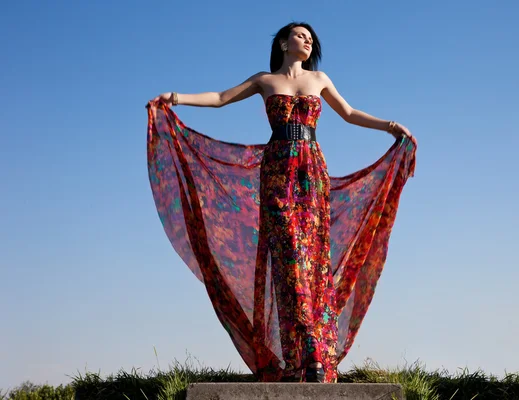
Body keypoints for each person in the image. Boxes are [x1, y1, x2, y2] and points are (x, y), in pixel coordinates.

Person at [146, 22, 417, 383]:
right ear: (283, 42)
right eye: (301, 36)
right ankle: (299, 357)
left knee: (313, 263)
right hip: (277, 171)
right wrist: (176, 98)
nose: (307, 41)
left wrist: (391, 125)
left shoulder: (320, 79)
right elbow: (222, 97)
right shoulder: (265, 80)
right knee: (289, 260)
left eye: (311, 39)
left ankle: (314, 357)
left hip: (312, 170)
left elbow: (350, 114)